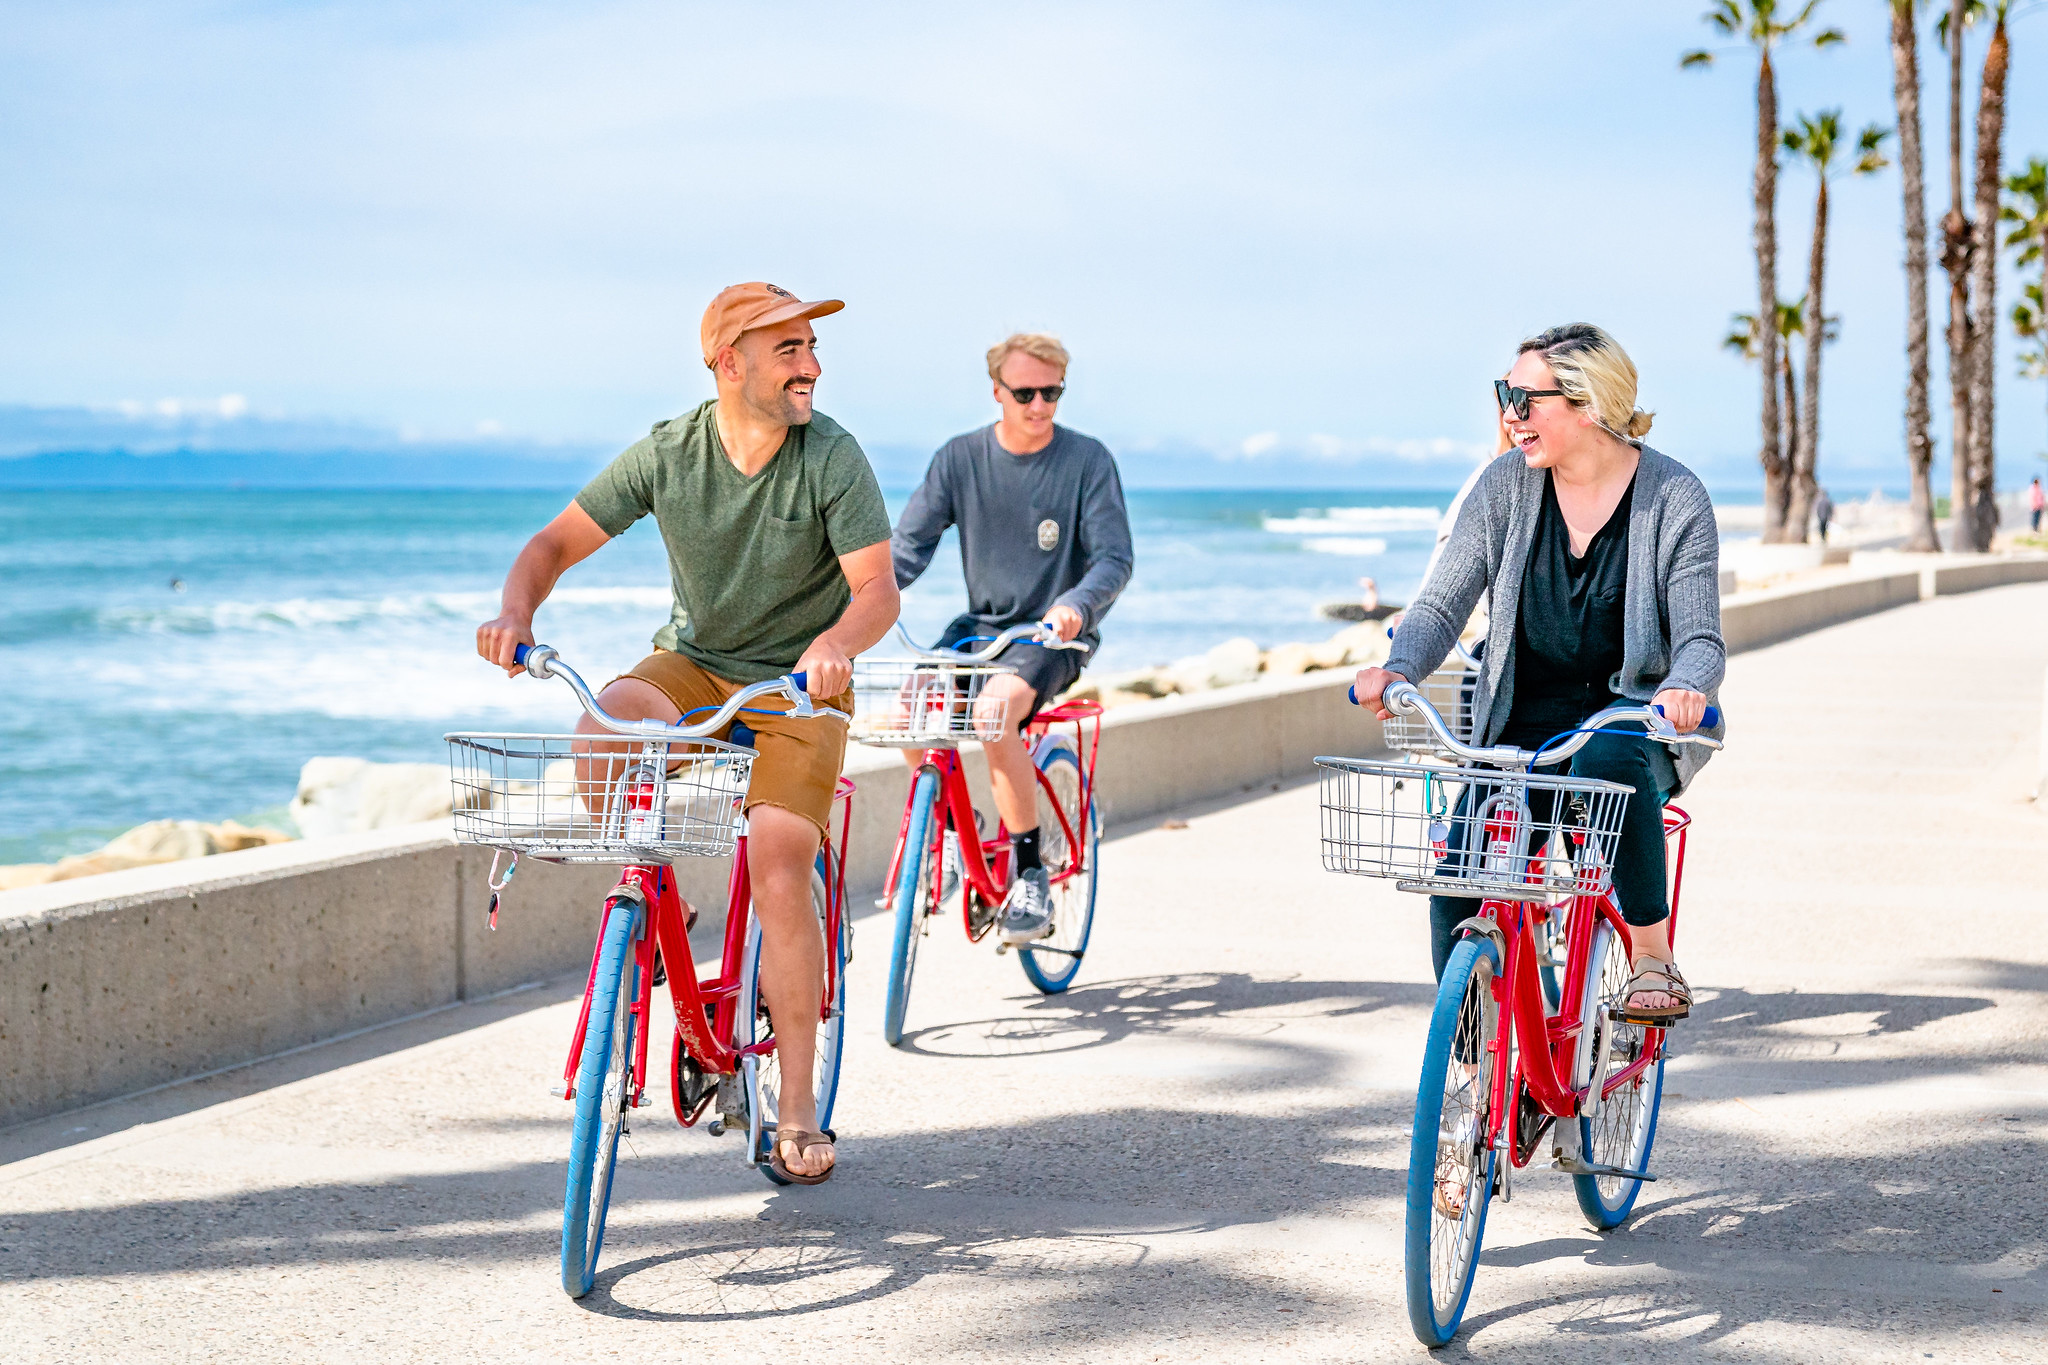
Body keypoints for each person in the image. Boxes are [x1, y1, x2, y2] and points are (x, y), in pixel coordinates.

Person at [475, 282, 898, 1185]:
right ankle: (662, 914)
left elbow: (877, 593)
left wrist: (832, 647)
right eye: (789, 350)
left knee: (781, 850)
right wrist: (515, 610)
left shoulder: (832, 457)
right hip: (696, 663)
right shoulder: (671, 452)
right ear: (728, 361)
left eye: (812, 349)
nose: (812, 367)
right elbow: (551, 545)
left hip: (797, 685)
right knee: (601, 735)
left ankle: (795, 1106)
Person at [1353, 323, 1724, 1022]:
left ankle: (1652, 957)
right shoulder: (1504, 487)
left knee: (1611, 761)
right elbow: (1441, 601)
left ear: (1588, 404)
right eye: (1504, 396)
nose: (1509, 416)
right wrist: (1397, 665)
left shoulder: (1674, 497)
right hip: (1518, 726)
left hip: (1629, 722)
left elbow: (1701, 638)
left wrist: (1685, 687)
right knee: (1458, 879)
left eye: (1527, 400)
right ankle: (1476, 1071)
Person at [891, 332, 1134, 942]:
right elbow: (907, 549)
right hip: (982, 628)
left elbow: (1114, 557)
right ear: (996, 390)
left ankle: (1030, 873)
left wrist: (1078, 604)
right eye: (1024, 392)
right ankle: (954, 832)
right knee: (905, 712)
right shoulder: (959, 459)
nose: (1039, 406)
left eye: (1051, 393)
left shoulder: (1087, 461)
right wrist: (857, 598)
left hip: (1053, 633)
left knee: (995, 713)